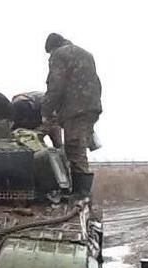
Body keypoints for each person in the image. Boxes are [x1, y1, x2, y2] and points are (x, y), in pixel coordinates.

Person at [41, 32, 102, 197]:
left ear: (52, 48)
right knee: (80, 147)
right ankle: (81, 193)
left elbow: (56, 86)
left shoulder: (59, 54)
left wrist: (46, 111)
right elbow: (96, 82)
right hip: (91, 106)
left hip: (75, 109)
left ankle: (81, 194)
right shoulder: (86, 54)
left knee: (74, 149)